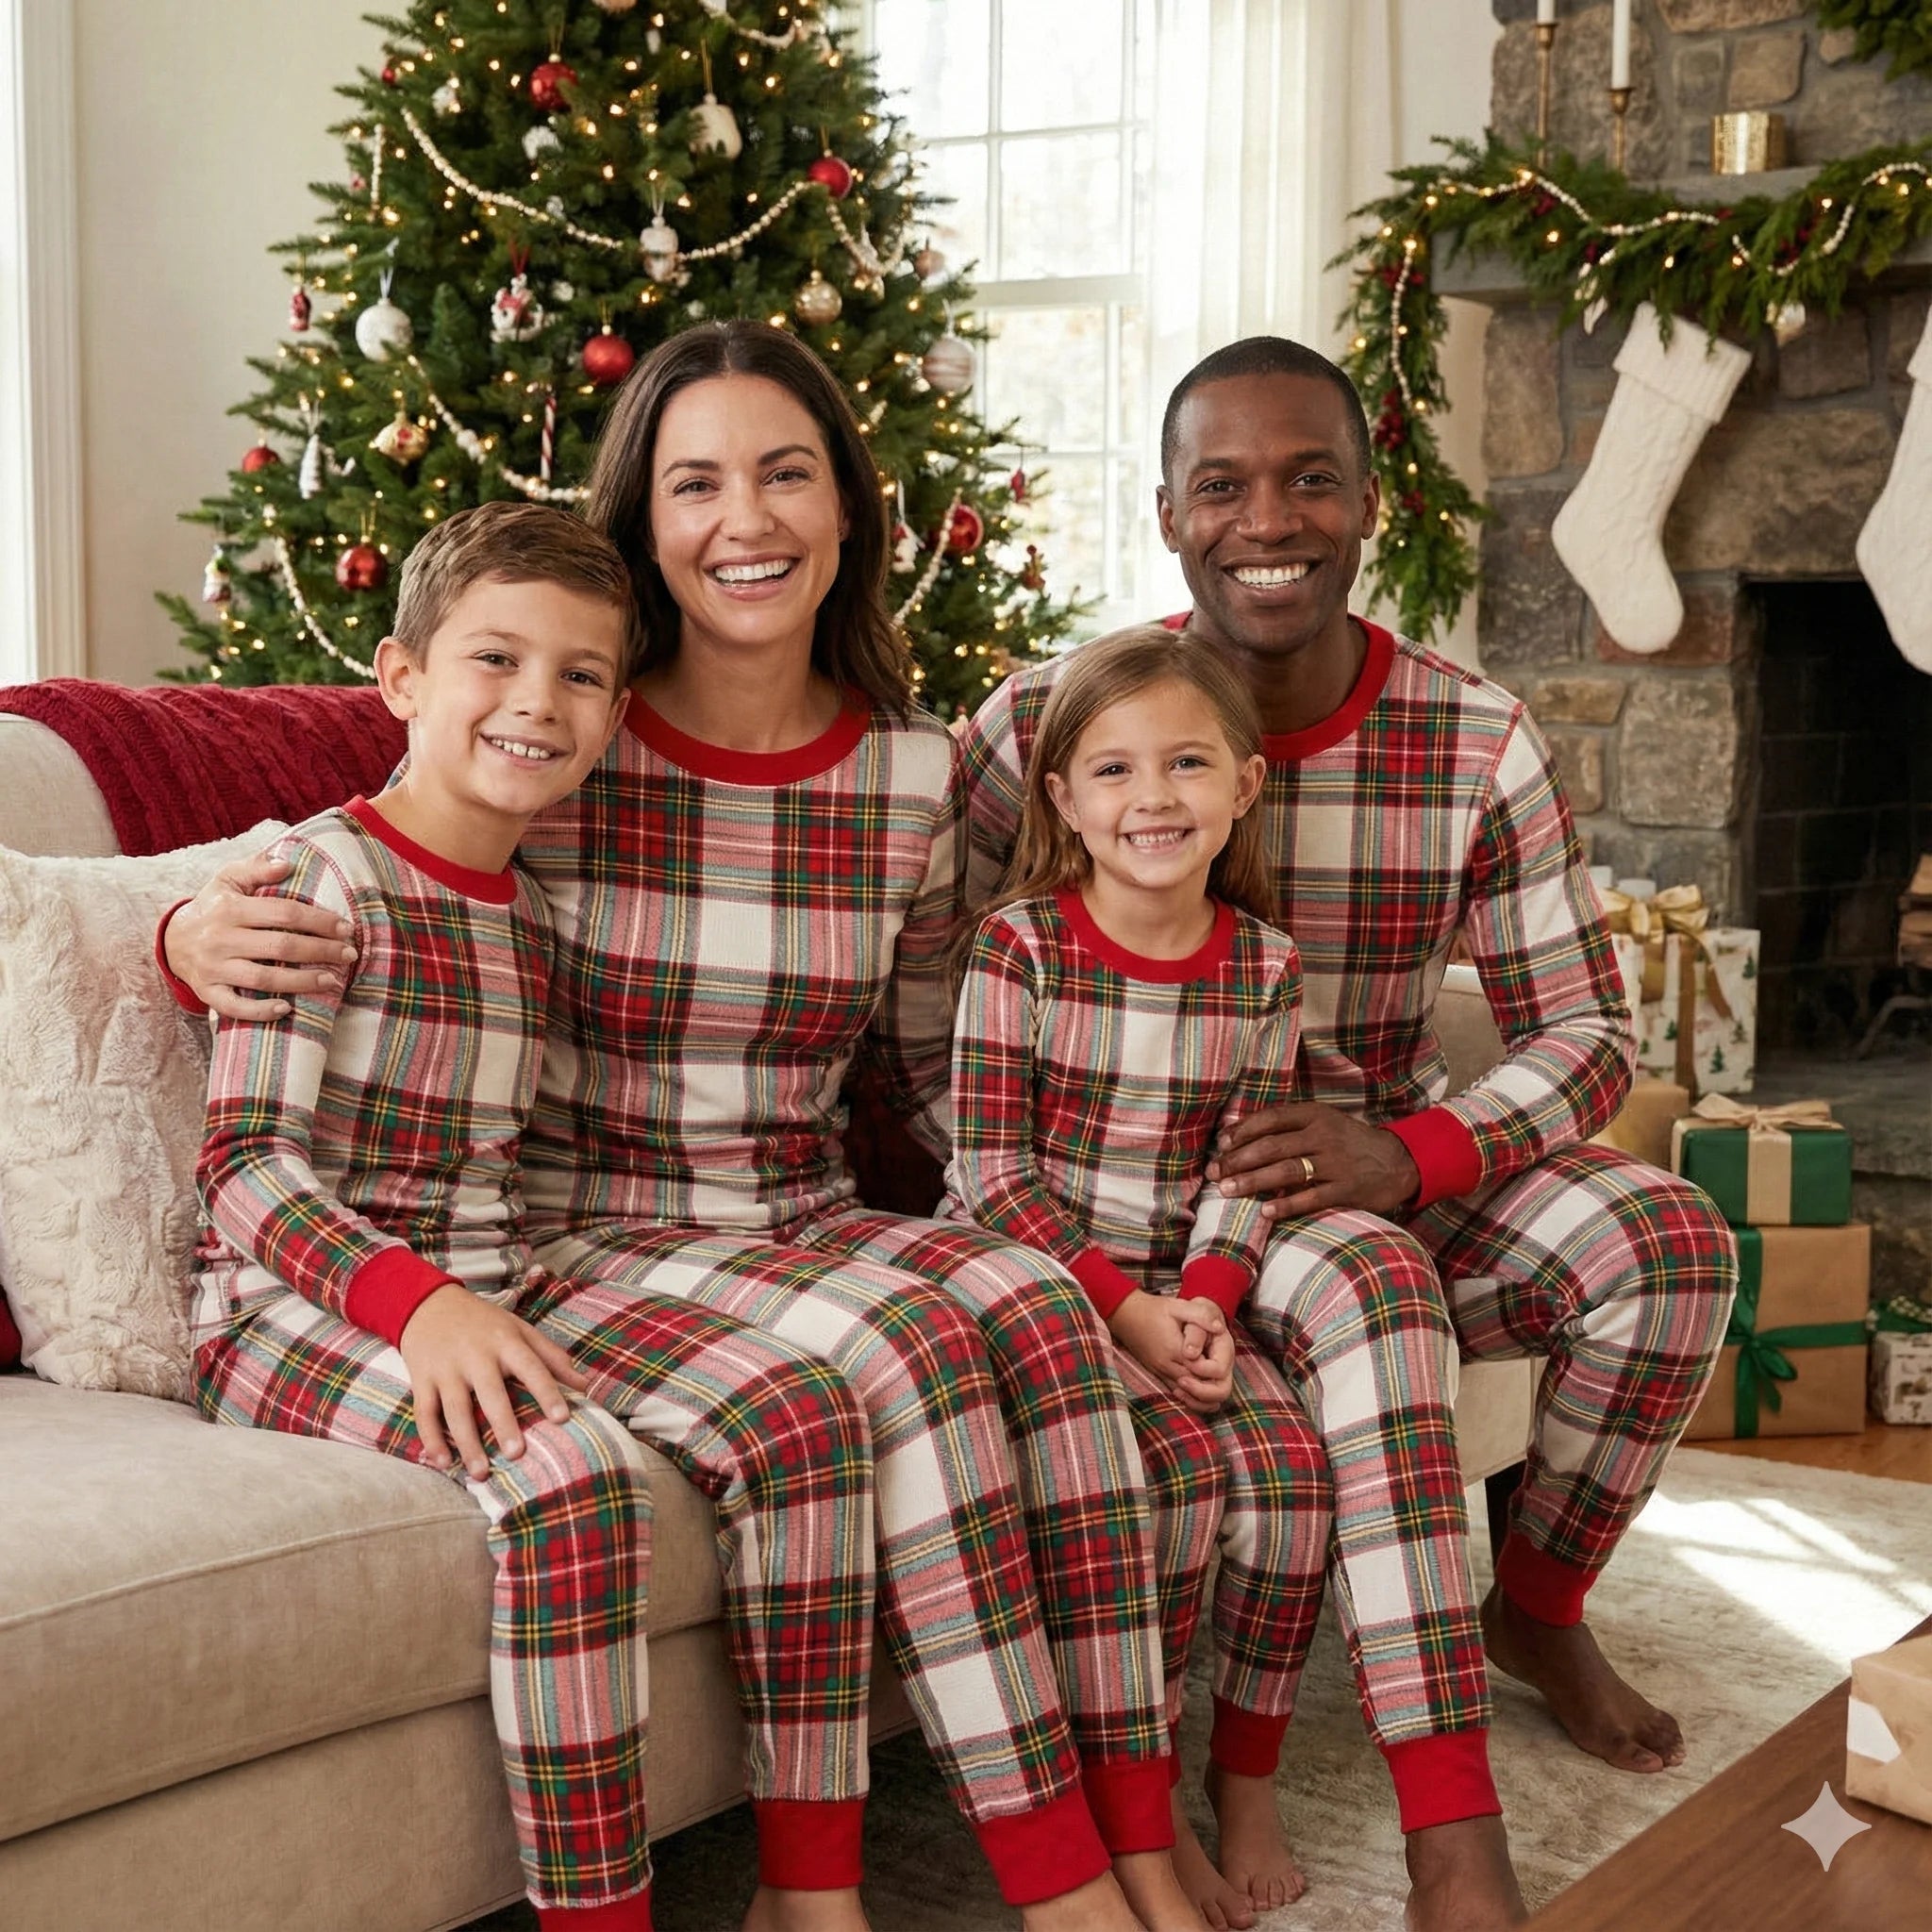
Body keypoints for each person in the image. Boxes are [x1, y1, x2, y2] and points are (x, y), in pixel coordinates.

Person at [165, 325, 1211, 1932]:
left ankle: (1120, 1833)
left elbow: (937, 1067)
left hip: (783, 1214)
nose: (747, 518)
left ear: (847, 505)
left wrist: (1111, 1259)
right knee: (906, 1360)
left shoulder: (909, 772)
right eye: (696, 483)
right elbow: (359, 853)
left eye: (786, 474)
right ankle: (1031, 1887)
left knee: (1033, 1313)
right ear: (643, 523)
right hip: (576, 1233)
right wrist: (182, 932)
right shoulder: (568, 750)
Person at [959, 337, 1738, 1932]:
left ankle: (1537, 1605)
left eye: (1311, 478)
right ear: (1168, 514)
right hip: (1105, 1198)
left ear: (1373, 503)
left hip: (1364, 1165)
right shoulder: (1045, 718)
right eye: (1223, 486)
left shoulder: (1474, 736)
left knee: (1671, 1245)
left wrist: (1418, 1153)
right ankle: (1452, 1826)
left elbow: (1590, 1032)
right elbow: (927, 991)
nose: (1269, 520)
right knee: (1374, 1293)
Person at [192, 501, 881, 1932]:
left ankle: (811, 1890)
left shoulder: (532, 906)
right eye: (495, 660)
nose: (536, 702)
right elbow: (246, 1166)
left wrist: (485, 1293)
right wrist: (420, 1307)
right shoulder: (316, 879)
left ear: (615, 715)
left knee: (806, 1412)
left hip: (504, 1272)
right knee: (571, 1487)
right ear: (402, 678)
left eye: (579, 676)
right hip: (290, 1306)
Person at [940, 626, 1332, 1932]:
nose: (1151, 798)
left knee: (1290, 1485)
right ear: (1062, 799)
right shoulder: (1020, 951)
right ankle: (1144, 1812)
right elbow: (992, 1173)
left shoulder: (1265, 967)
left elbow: (1247, 1169)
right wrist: (1125, 1312)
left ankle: (1245, 1780)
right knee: (1172, 1491)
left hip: (1183, 1293)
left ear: (1245, 785)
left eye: (1185, 764)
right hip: (1044, 1284)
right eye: (1113, 770)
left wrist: (1208, 1300)